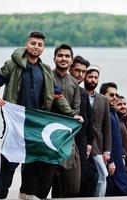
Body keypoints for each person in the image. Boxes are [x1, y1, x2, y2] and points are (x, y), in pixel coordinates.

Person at [0, 31, 76, 200]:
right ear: (27, 44)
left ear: (43, 48)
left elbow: (57, 95)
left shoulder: (45, 70)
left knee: (33, 160)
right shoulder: (11, 65)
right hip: (15, 121)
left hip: (36, 124)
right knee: (9, 160)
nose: (36, 47)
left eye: (40, 45)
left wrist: (71, 114)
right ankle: (1, 195)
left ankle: (26, 194)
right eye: (33, 43)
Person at [51, 44, 81, 198]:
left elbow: (76, 109)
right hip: (48, 136)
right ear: (54, 58)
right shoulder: (46, 76)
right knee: (43, 186)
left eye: (67, 56)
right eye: (60, 55)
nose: (63, 58)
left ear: (71, 60)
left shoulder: (74, 82)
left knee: (73, 187)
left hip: (68, 137)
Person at [69, 55, 98, 197]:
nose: (80, 74)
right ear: (70, 69)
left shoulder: (83, 93)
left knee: (87, 176)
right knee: (62, 177)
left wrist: (89, 143)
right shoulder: (63, 88)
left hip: (81, 140)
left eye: (83, 71)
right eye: (77, 70)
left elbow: (88, 120)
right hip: (64, 137)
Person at [99, 82, 127, 196]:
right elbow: (103, 138)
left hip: (118, 161)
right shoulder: (104, 112)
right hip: (110, 162)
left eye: (116, 95)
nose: (115, 98)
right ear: (103, 95)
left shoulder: (113, 113)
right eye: (111, 95)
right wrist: (110, 161)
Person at [84, 65, 112, 197]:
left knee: (102, 175)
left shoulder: (103, 99)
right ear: (85, 77)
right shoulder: (78, 93)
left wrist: (107, 150)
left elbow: (107, 126)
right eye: (90, 77)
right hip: (80, 142)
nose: (93, 80)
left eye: (95, 77)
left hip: (97, 145)